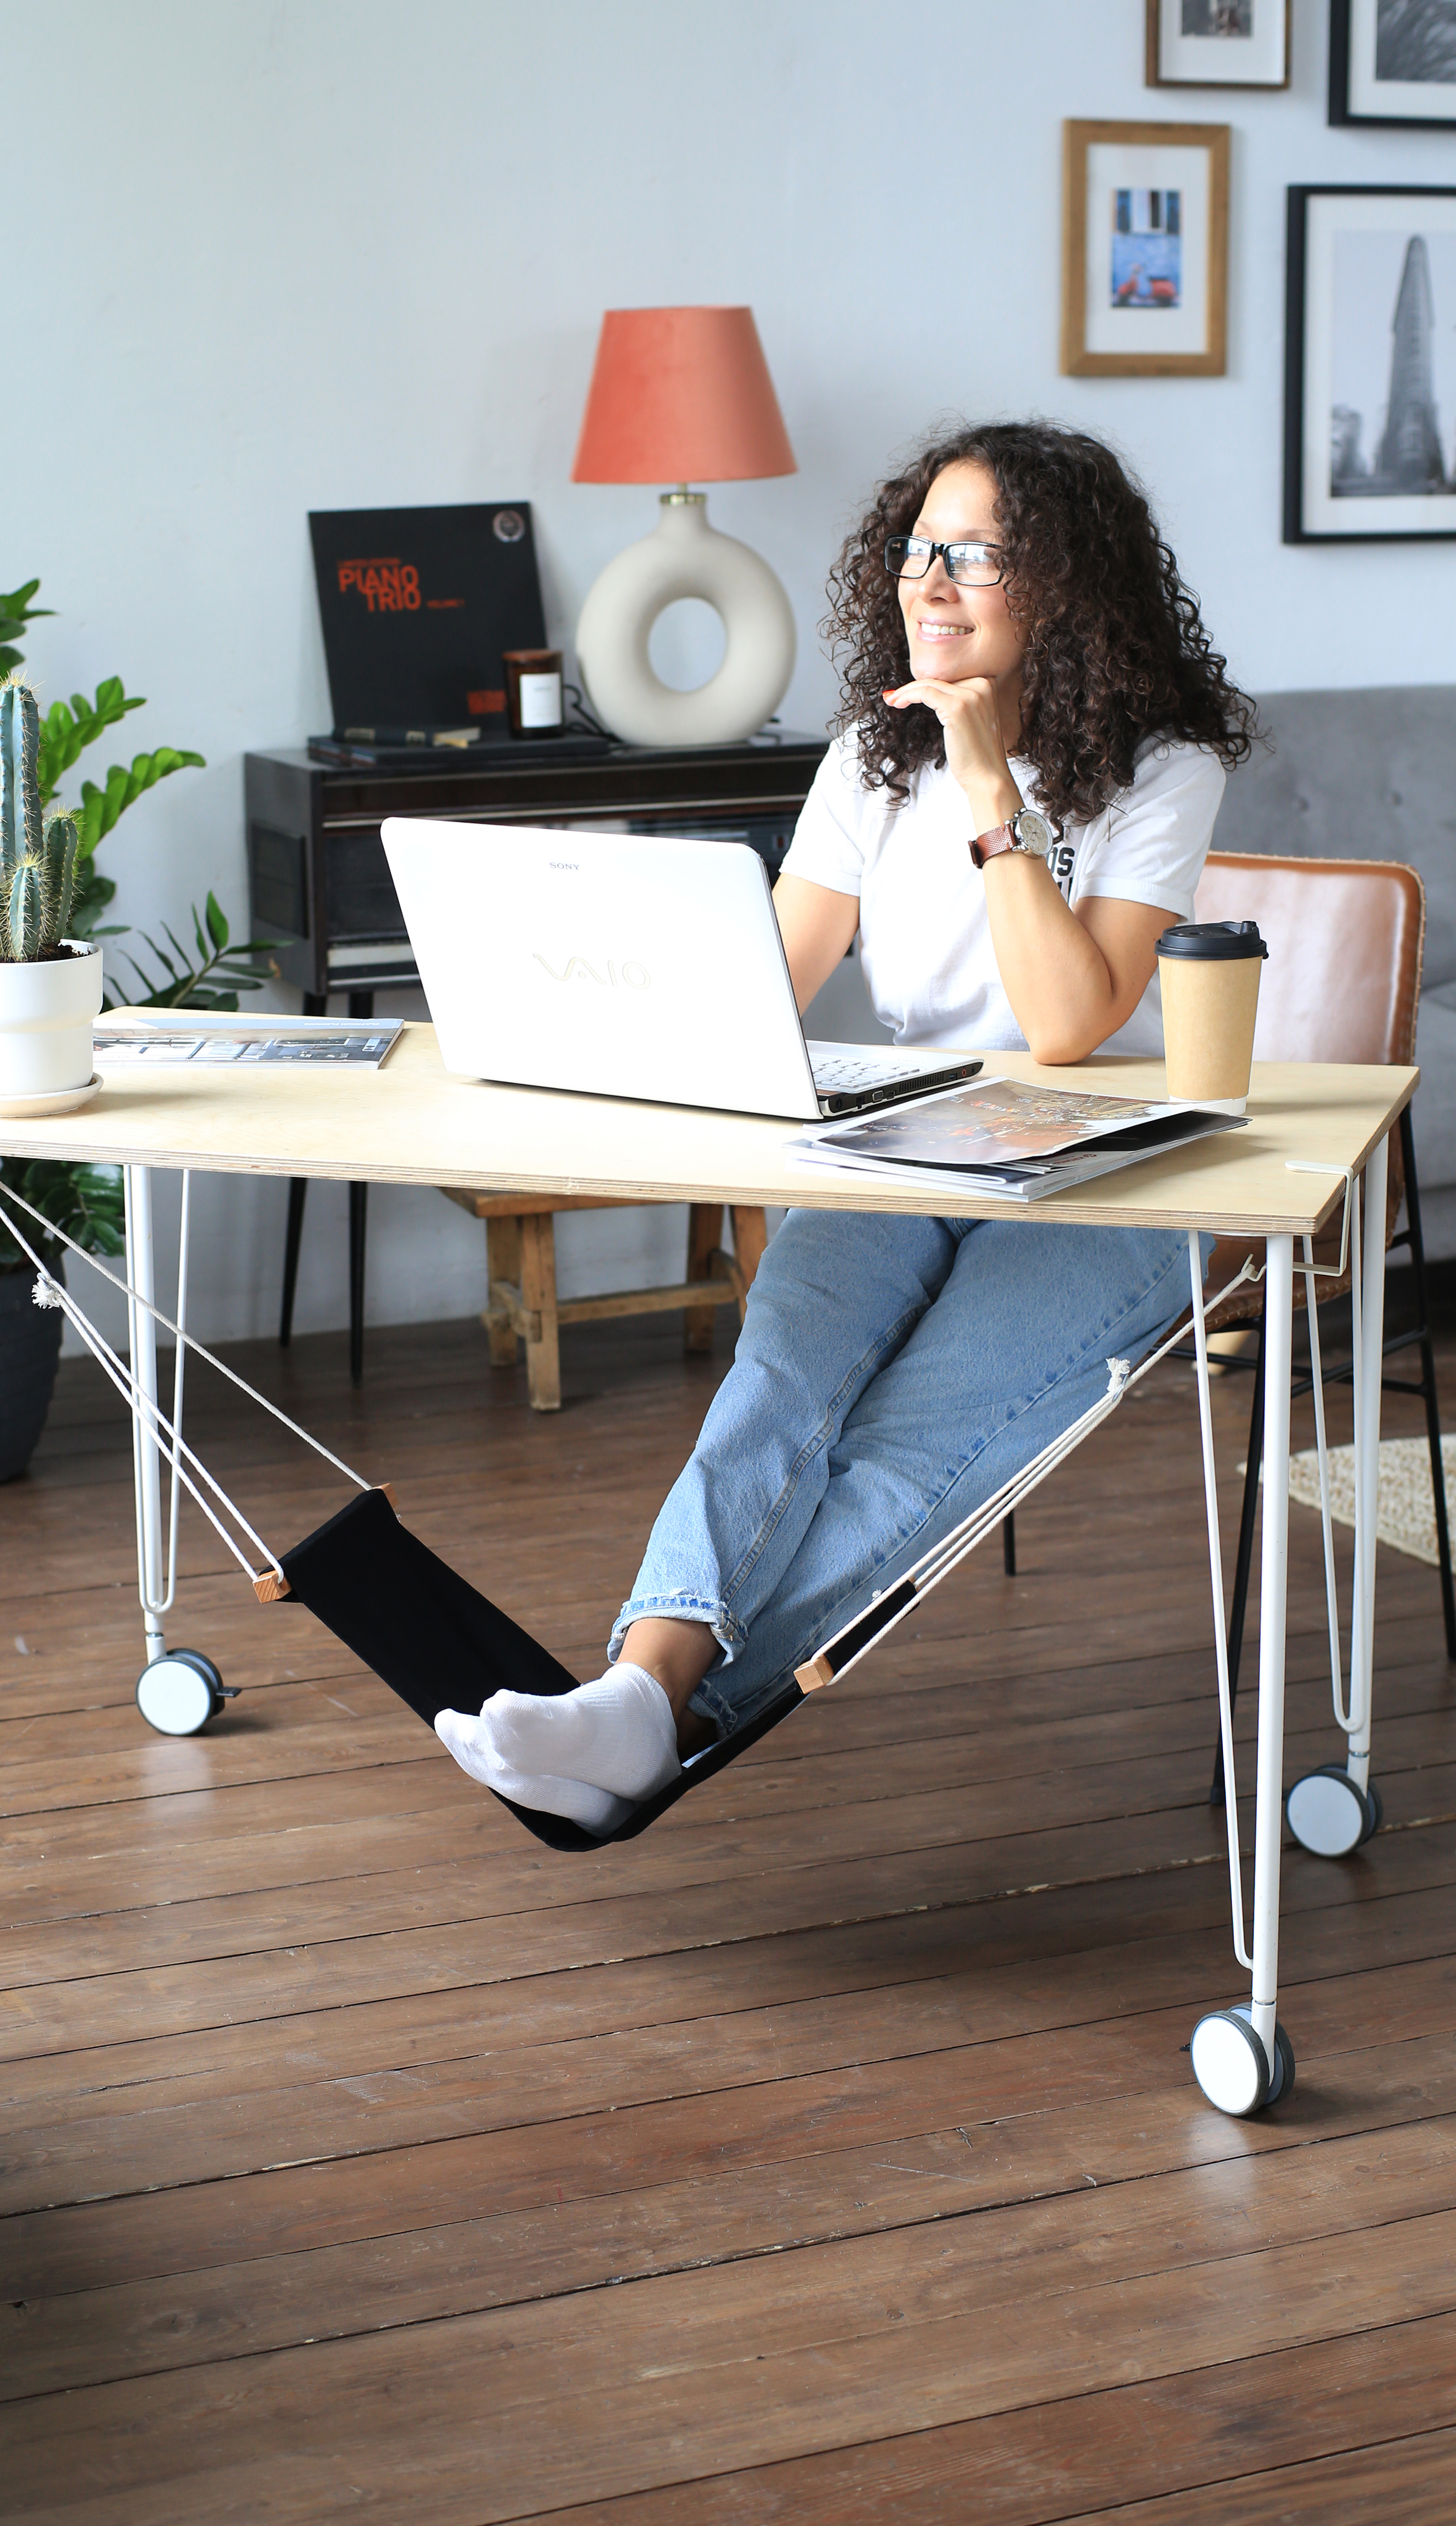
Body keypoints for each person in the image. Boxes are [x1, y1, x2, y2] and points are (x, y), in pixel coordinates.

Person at [437, 418, 1256, 1833]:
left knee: (907, 1449)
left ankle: (660, 1706)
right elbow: (767, 985)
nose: (929, 582)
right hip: (912, 1134)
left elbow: (1069, 1023)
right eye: (916, 550)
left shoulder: (1159, 765)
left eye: (974, 556)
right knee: (782, 1389)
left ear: (1064, 584)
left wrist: (992, 789)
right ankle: (639, 1692)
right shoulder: (874, 758)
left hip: (1112, 1181)